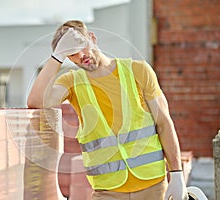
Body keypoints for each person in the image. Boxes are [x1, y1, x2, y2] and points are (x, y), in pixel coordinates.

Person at [27, 20, 188, 200]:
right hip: (107, 190)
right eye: (71, 53)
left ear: (93, 38)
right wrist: (57, 56)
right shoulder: (71, 82)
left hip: (152, 186)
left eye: (82, 45)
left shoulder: (138, 70)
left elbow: (164, 123)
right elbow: (35, 102)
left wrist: (177, 174)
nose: (81, 55)